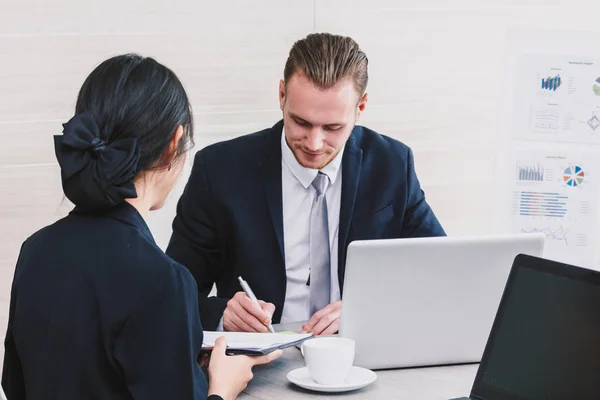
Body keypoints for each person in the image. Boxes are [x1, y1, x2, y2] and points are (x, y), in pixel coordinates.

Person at [1, 54, 280, 400]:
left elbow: (15, 386)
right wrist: (221, 388)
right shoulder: (163, 280)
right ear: (172, 146)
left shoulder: (34, 251)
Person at [166, 33, 446, 337]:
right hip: (258, 365)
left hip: (363, 355)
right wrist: (222, 312)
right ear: (282, 95)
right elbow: (170, 294)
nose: (314, 143)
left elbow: (439, 276)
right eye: (301, 122)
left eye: (332, 127)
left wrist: (369, 311)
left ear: (361, 107)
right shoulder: (219, 170)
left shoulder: (392, 165)